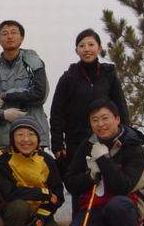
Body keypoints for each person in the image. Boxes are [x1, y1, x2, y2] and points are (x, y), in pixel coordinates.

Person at [62, 99, 144, 226]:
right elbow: (71, 183)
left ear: (117, 119)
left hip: (126, 204)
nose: (100, 124)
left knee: (117, 205)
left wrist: (103, 159)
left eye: (105, 118)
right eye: (95, 120)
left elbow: (123, 186)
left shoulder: (134, 147)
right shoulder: (86, 146)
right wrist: (90, 176)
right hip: (95, 205)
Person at [50, 28, 129, 174]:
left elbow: (121, 107)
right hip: (77, 141)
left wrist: (126, 135)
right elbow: (56, 113)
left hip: (107, 138)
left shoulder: (109, 74)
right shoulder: (68, 78)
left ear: (99, 48)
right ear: (77, 51)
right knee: (80, 181)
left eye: (91, 45)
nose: (86, 49)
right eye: (82, 46)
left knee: (111, 178)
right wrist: (57, 144)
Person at [0, 116, 66, 226]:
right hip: (12, 215)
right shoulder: (2, 161)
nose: (26, 139)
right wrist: (43, 194)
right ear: (12, 139)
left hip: (40, 213)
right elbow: (10, 193)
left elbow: (57, 196)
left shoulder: (47, 160)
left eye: (31, 134)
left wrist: (41, 217)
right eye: (20, 134)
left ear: (38, 139)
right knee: (19, 206)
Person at [0, 20, 50, 149]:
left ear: (22, 38)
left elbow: (40, 94)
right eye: (5, 33)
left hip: (33, 137)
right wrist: (2, 115)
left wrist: (5, 95)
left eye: (13, 32)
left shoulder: (33, 63)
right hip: (3, 141)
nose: (9, 36)